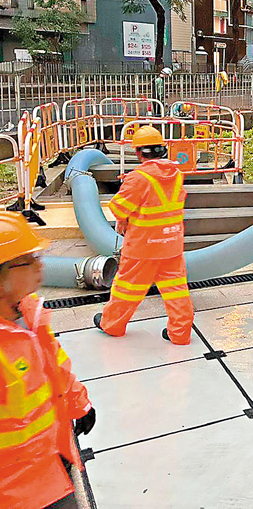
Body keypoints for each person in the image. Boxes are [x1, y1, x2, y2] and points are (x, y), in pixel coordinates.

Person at [0, 213, 95, 509]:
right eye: (29, 259)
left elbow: (54, 365)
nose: (41, 265)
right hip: (17, 490)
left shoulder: (28, 314)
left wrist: (80, 404)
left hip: (50, 463)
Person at [95, 126, 193, 344]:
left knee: (127, 288)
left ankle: (112, 324)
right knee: (176, 289)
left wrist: (123, 218)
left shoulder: (138, 178)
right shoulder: (177, 175)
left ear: (138, 152)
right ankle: (180, 333)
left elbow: (118, 208)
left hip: (143, 247)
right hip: (171, 244)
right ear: (162, 149)